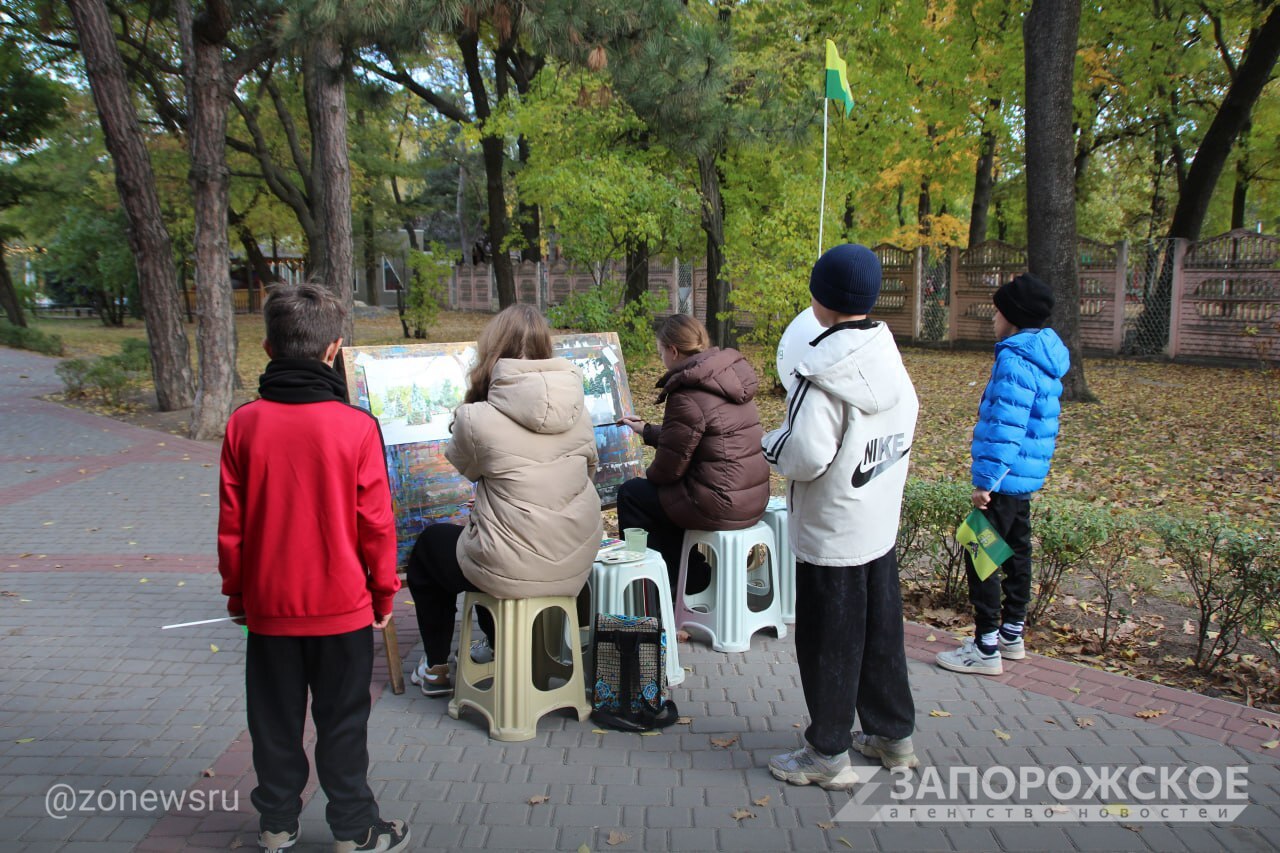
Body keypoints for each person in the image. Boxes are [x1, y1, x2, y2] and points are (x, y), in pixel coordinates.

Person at [217, 284, 409, 853]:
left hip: (270, 607)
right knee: (343, 723)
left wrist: (238, 597)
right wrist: (383, 595)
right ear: (335, 350)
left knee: (273, 723)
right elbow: (376, 523)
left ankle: (277, 825)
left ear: (268, 346)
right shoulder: (356, 427)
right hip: (343, 609)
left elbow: (233, 527)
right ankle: (354, 830)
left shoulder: (243, 425)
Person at [761, 243, 920, 790]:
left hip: (832, 533)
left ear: (818, 299)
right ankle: (892, 735)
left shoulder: (820, 370)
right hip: (878, 523)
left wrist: (768, 443)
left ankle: (827, 753)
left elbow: (805, 454)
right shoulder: (887, 354)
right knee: (880, 634)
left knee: (829, 641)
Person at [407, 304, 603, 696]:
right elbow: (588, 473)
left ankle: (437, 669)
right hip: (574, 561)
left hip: (511, 562)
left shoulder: (477, 417)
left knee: (433, 549)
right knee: (490, 540)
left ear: (492, 353)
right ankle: (501, 646)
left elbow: (466, 467)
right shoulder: (579, 412)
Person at [936, 273, 1069, 676]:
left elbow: (1005, 427)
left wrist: (985, 484)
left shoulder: (1014, 359)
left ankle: (985, 646)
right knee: (1018, 553)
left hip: (1003, 480)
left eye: (997, 311)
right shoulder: (1044, 355)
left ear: (1012, 316)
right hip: (1024, 478)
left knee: (980, 551)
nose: (993, 317)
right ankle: (1012, 635)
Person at [616, 313, 770, 595]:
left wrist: (648, 477)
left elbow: (669, 469)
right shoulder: (726, 378)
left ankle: (655, 586)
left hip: (718, 504)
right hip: (752, 497)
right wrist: (647, 430)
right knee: (667, 499)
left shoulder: (686, 391)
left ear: (673, 351)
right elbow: (699, 435)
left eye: (660, 351)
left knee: (634, 494)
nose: (661, 357)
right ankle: (692, 573)